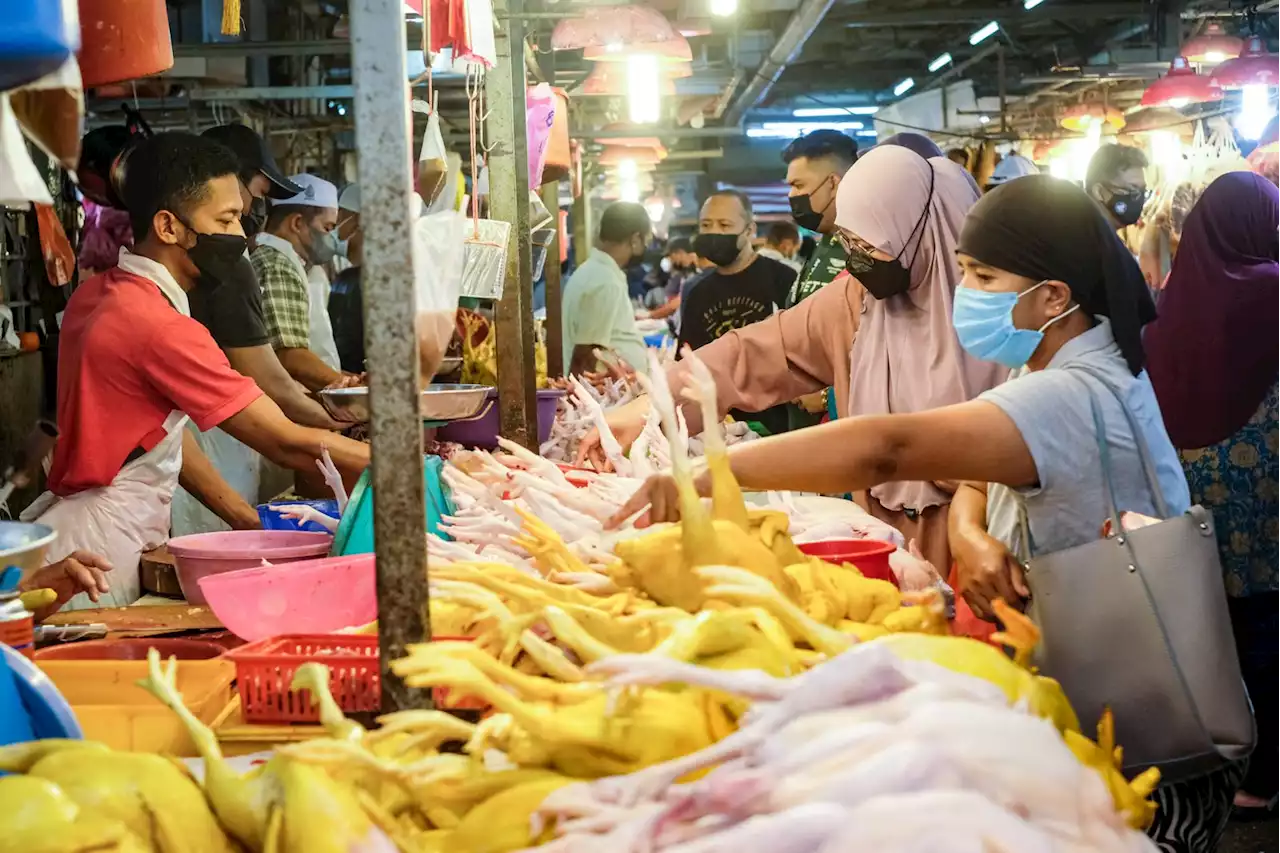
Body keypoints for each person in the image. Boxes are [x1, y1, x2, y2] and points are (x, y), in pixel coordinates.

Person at [611, 174, 1241, 853]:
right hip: (1108, 706)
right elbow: (986, 463)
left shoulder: (1072, 392)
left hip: (1152, 754)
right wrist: (970, 530)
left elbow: (889, 447)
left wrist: (712, 471)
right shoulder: (1066, 363)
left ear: (1054, 295)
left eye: (983, 276)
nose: (963, 293)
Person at [584, 146, 1005, 571]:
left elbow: (885, 448)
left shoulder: (999, 315)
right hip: (886, 551)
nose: (855, 258)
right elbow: (750, 353)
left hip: (987, 549)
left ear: (917, 234)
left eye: (869, 243)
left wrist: (715, 470)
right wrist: (650, 408)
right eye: (849, 242)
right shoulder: (857, 304)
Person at [20, 132, 370, 608]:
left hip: (85, 535)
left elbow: (157, 435)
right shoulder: (156, 324)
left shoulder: (100, 294)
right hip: (99, 551)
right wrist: (412, 465)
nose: (239, 234)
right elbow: (283, 440)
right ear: (169, 226)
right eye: (226, 219)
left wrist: (246, 520)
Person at [1145, 171, 1280, 822]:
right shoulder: (1274, 288)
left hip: (1190, 487)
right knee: (1269, 626)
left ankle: (1219, 761)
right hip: (1268, 491)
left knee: (1211, 627)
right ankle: (1268, 769)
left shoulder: (1171, 299)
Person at [680, 189, 795, 435]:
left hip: (779, 423)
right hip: (720, 427)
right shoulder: (697, 293)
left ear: (750, 230)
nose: (714, 233)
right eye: (706, 225)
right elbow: (689, 361)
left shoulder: (783, 279)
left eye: (724, 225)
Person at [252, 174, 349, 391]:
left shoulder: (292, 264)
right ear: (297, 223)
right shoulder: (277, 264)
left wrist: (351, 380)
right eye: (327, 227)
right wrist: (346, 386)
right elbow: (289, 355)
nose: (332, 237)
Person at [561, 201, 651, 376]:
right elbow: (585, 355)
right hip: (605, 398)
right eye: (646, 240)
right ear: (635, 239)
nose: (646, 247)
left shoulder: (599, 272)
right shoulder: (604, 281)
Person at [782, 130, 858, 308]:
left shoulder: (869, 250)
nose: (791, 194)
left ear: (832, 183)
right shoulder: (826, 243)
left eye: (798, 185)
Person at [1086, 144, 1149, 232]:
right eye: (1132, 189)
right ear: (1099, 192)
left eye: (1142, 190)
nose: (1139, 198)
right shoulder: (1080, 240)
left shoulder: (1106, 238)